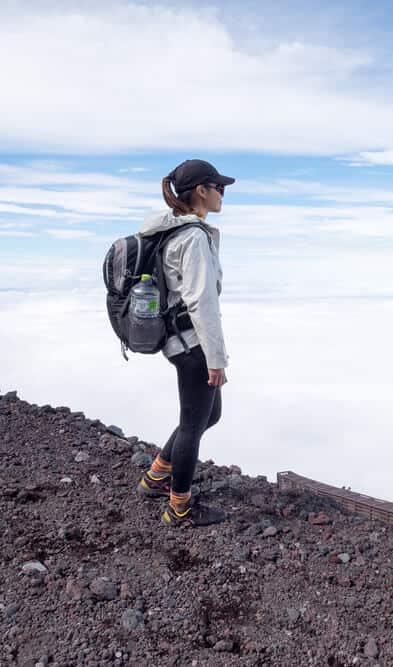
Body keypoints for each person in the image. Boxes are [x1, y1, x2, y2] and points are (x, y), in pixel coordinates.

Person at [135, 159, 234, 527]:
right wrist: (216, 358)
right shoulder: (192, 237)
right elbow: (201, 300)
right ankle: (179, 508)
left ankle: (157, 475)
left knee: (211, 414)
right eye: (218, 186)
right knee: (193, 423)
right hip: (192, 343)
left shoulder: (171, 230)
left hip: (177, 339)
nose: (223, 193)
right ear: (201, 191)